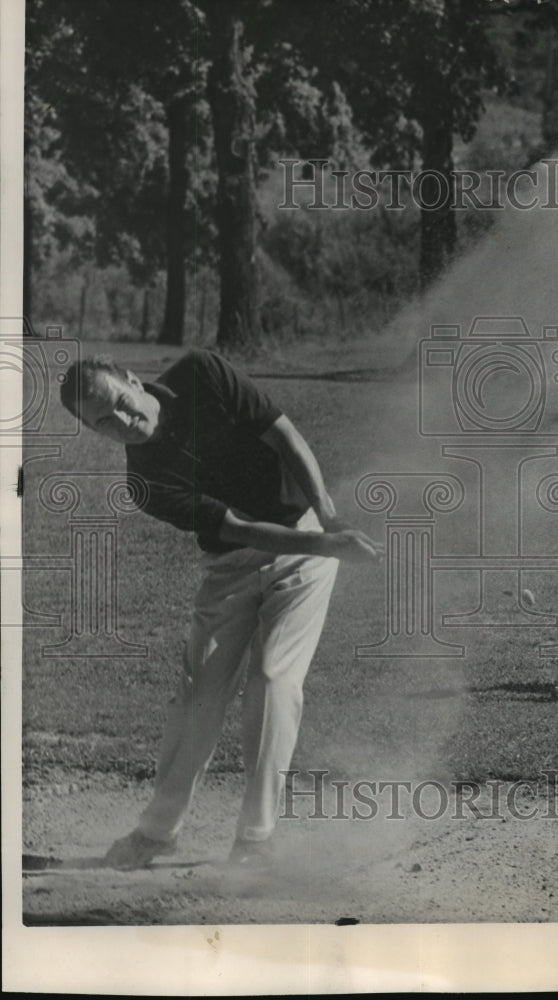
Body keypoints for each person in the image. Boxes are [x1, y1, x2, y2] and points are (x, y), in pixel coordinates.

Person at [59, 348, 383, 869]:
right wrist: (331, 546)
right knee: (196, 698)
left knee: (274, 680)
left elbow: (284, 435)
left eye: (119, 404)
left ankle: (255, 840)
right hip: (235, 564)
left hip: (303, 537)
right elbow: (238, 529)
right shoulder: (143, 484)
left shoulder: (201, 375)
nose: (120, 422)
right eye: (102, 423)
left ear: (131, 380)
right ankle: (158, 832)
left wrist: (328, 517)